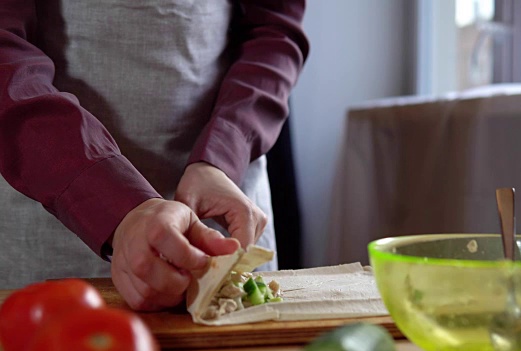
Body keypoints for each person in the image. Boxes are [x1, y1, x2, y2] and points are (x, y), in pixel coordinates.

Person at [0, 0, 309, 311]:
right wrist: (112, 203)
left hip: (226, 196)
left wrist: (223, 156)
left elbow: (275, 30)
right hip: (49, 207)